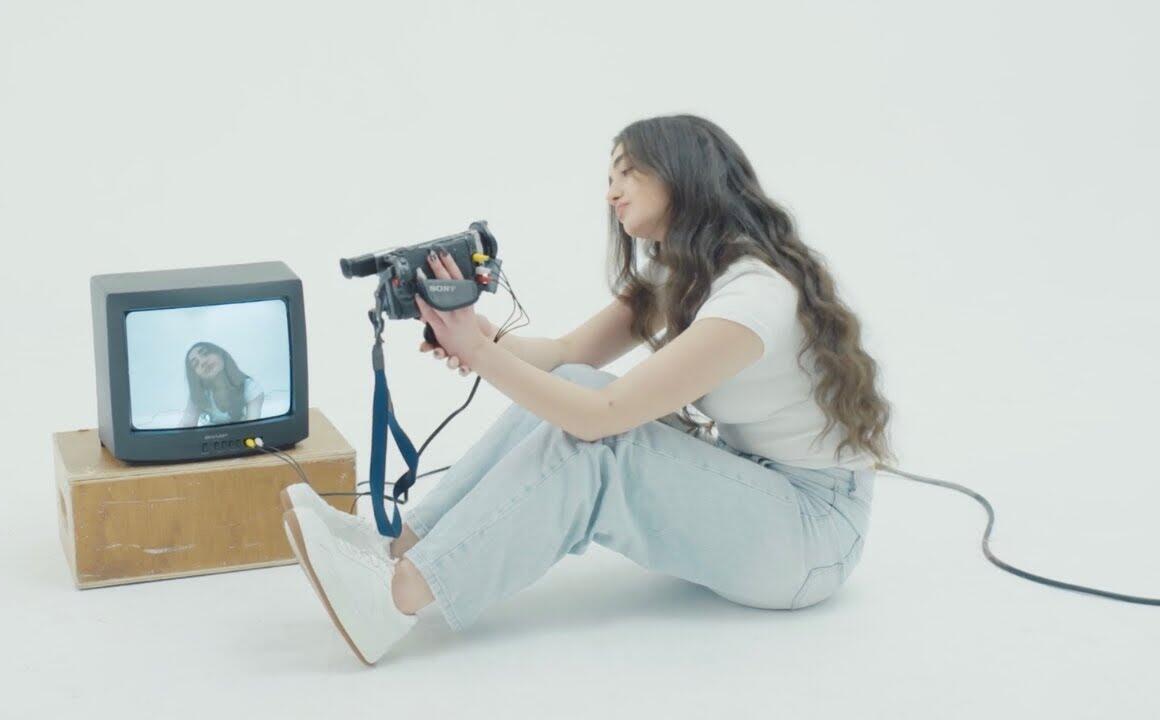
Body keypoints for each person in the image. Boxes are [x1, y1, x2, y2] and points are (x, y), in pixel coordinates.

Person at [279, 113, 897, 665]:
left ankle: (396, 598)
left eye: (628, 172)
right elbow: (567, 357)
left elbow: (602, 418)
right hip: (755, 489)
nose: (611, 192)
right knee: (572, 384)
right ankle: (397, 547)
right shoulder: (685, 275)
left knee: (599, 450)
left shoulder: (752, 296)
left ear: (682, 175)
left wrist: (479, 353)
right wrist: (479, 337)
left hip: (812, 533)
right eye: (610, 176)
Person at [179, 341, 264, 426]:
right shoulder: (198, 395)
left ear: (220, 354)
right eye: (195, 364)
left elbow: (252, 428)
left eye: (205, 353)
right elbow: (186, 426)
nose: (203, 362)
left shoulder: (251, 388)